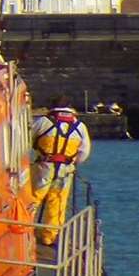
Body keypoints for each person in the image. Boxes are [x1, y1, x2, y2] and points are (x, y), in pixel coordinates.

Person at [32, 97, 91, 246]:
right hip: (65, 169)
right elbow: (84, 151)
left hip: (43, 166)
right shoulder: (80, 126)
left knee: (33, 198)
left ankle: (23, 231)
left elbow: (28, 139)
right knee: (57, 201)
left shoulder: (43, 122)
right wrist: (73, 161)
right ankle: (49, 236)